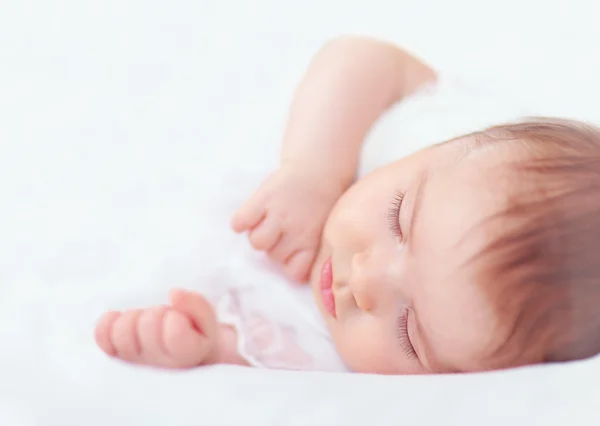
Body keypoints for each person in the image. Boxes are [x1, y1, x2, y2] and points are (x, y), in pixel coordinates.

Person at [94, 36, 600, 374]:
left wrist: (204, 343)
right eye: (397, 220)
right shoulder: (448, 148)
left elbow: (269, 354)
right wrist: (313, 170)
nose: (361, 281)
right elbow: (367, 58)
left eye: (408, 328)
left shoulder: (340, 358)